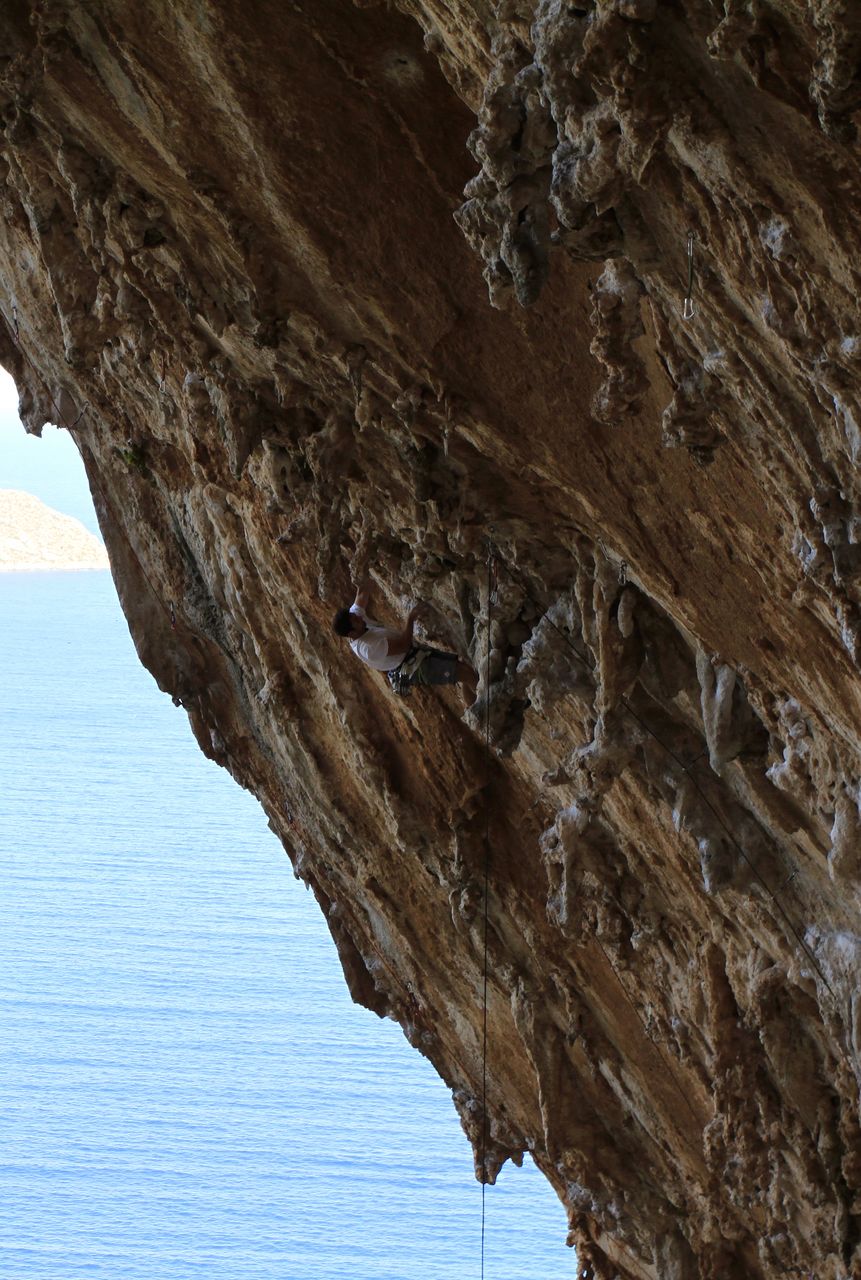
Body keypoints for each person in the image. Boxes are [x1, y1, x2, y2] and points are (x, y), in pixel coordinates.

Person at [332, 580, 477, 702]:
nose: (360, 618)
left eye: (356, 616)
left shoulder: (355, 620)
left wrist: (361, 576)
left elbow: (362, 594)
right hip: (411, 667)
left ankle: (474, 709)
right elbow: (403, 645)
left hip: (413, 655)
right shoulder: (368, 648)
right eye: (356, 621)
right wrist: (411, 618)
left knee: (463, 669)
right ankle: (484, 709)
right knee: (465, 673)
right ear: (351, 632)